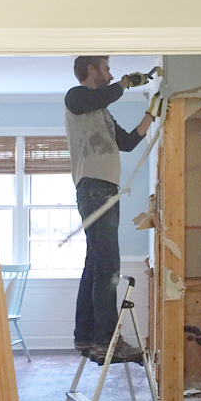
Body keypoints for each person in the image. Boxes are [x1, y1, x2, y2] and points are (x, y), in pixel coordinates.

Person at [65, 56, 155, 362]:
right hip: (93, 189)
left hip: (105, 191)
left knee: (96, 263)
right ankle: (106, 341)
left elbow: (128, 142)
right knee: (108, 266)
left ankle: (86, 337)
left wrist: (152, 113)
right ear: (90, 70)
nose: (112, 74)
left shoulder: (100, 111)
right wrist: (127, 83)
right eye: (107, 69)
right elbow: (105, 94)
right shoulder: (76, 97)